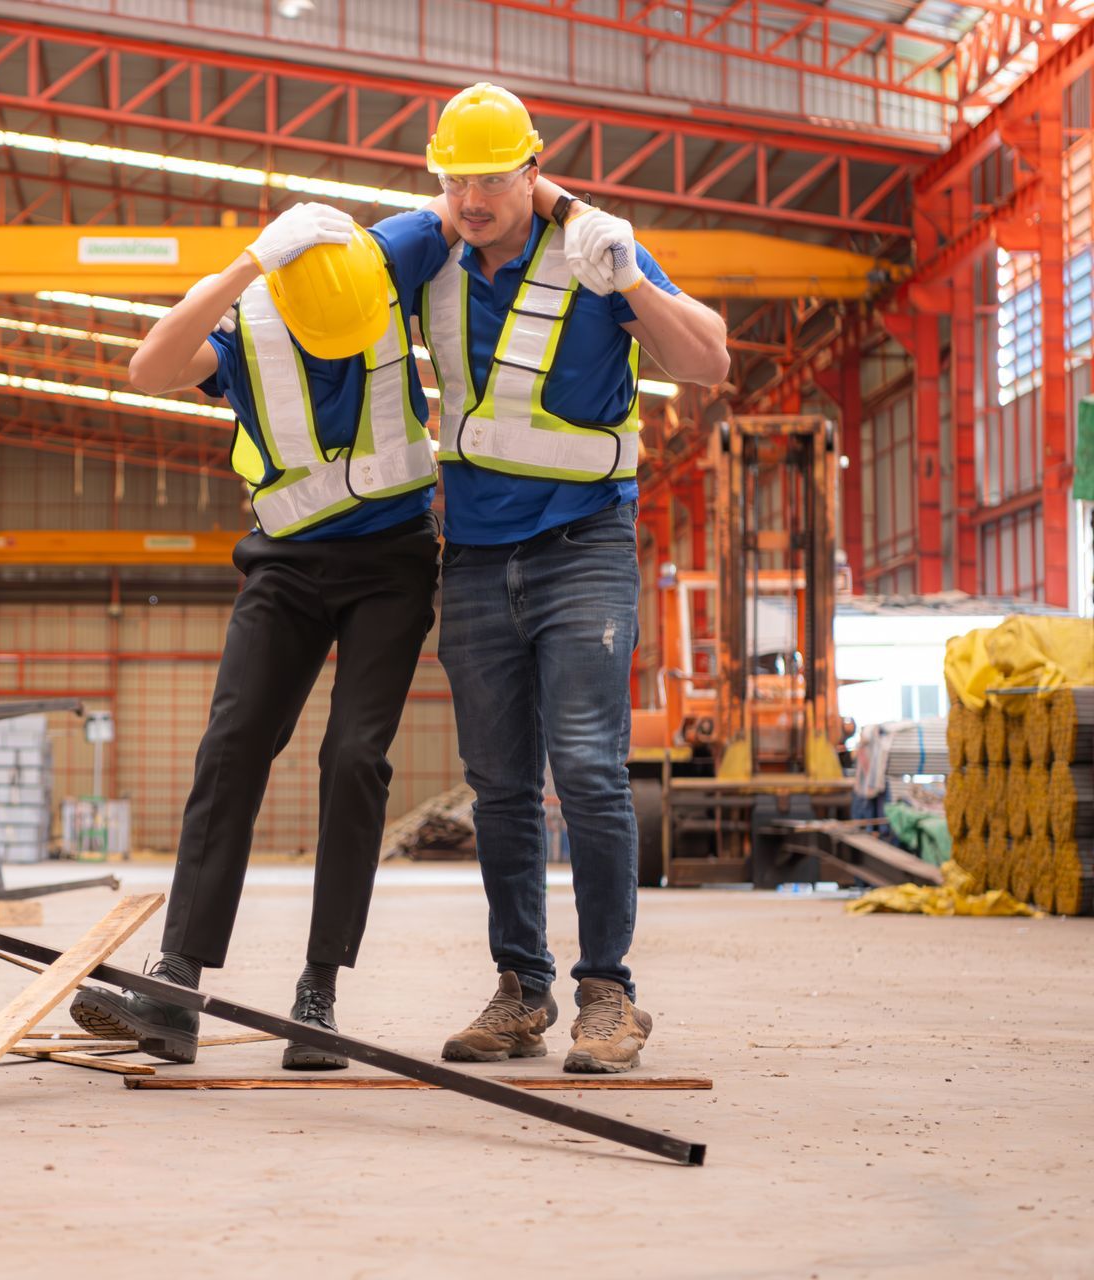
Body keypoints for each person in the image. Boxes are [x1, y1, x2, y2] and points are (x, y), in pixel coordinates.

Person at [67, 201, 449, 1069]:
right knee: (232, 745)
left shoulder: (389, 253)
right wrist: (243, 266)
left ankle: (318, 993)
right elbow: (148, 366)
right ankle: (174, 986)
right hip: (286, 565)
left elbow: (472, 200)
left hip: (392, 561)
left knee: (354, 757)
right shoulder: (250, 325)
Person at [414, 84, 730, 1073]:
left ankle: (609, 992)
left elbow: (709, 360)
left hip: (582, 545)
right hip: (471, 554)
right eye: (455, 176)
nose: (473, 196)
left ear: (532, 168)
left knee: (588, 770)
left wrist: (631, 276)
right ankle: (520, 989)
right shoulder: (433, 258)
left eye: (492, 177)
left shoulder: (594, 252)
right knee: (500, 784)